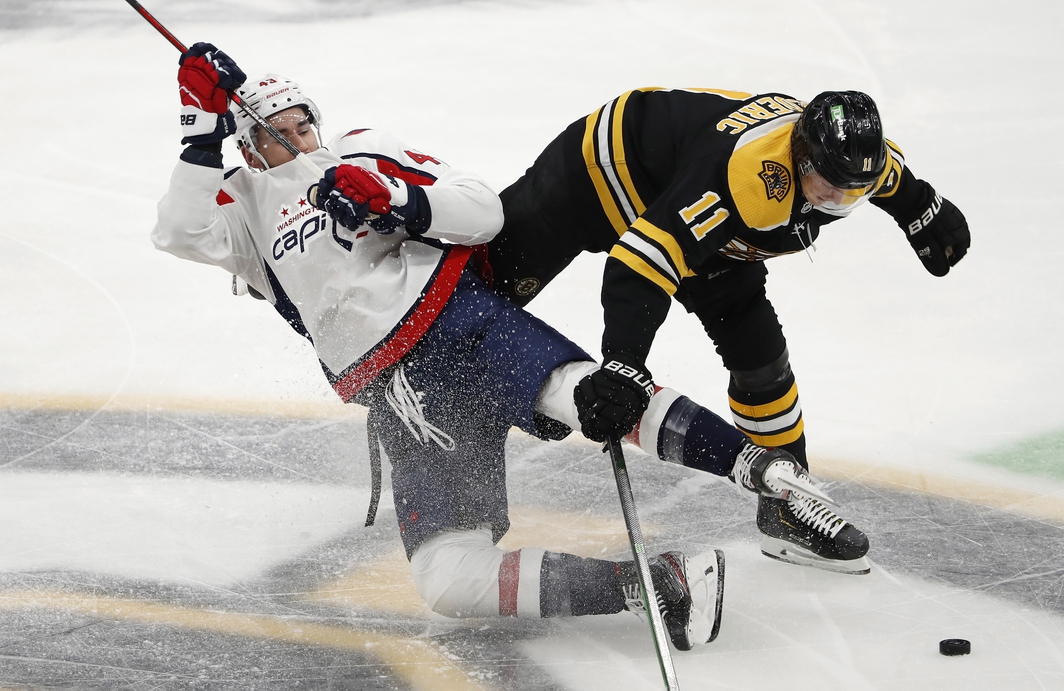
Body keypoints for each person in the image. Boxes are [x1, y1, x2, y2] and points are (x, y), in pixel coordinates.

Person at [153, 44, 864, 649]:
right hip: (401, 399)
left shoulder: (363, 149)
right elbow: (177, 233)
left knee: (596, 396)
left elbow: (483, 210)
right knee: (446, 578)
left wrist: (398, 201)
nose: (291, 140)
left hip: (461, 324)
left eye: (300, 124)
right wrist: (197, 132)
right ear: (244, 145)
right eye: (269, 133)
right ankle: (655, 585)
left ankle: (773, 480)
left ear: (317, 121)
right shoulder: (241, 209)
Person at [487, 87, 971, 574]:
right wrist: (624, 362)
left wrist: (922, 207)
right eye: (830, 186)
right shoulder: (746, 179)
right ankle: (429, 371)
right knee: (484, 285)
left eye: (852, 193)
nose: (836, 201)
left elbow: (889, 179)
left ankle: (786, 503)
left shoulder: (852, 162)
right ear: (800, 156)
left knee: (760, 355)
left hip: (713, 224)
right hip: (601, 172)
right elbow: (641, 263)